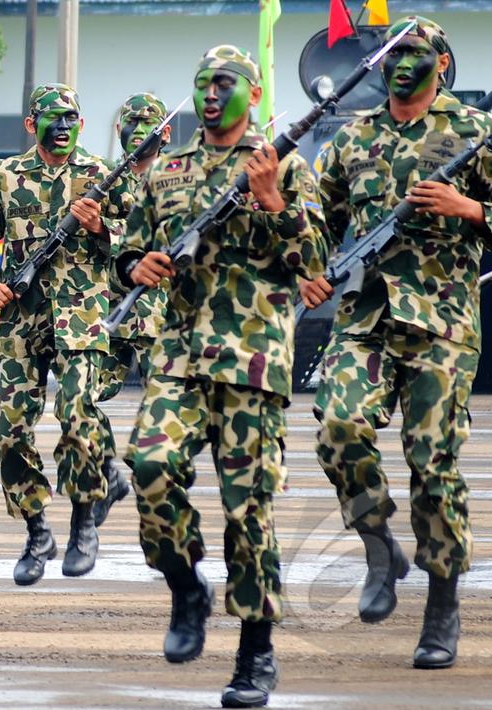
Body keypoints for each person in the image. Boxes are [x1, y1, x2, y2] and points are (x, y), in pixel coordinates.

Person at [116, 46, 325, 708]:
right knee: (146, 466)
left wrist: (270, 201)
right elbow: (127, 246)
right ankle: (184, 584)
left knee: (248, 513)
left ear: (253, 93)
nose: (211, 93)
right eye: (203, 82)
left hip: (252, 360)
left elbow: (316, 265)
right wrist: (133, 268)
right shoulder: (166, 170)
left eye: (225, 83)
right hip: (177, 356)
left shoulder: (284, 166)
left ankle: (254, 654)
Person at [304, 16, 492, 670]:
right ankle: (379, 543)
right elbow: (315, 224)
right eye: (391, 53)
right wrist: (308, 272)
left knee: (430, 463)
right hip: (363, 319)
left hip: (440, 324)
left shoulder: (473, 133)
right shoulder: (352, 138)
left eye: (417, 52)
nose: (402, 62)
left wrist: (469, 210)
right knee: (336, 427)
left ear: (441, 64)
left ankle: (441, 604)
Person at [0, 83, 134, 586]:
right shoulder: (6, 177)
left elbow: (141, 245)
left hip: (81, 318)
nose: (61, 126)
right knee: (9, 430)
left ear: (82, 125)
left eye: (71, 118)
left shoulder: (103, 176)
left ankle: (84, 524)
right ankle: (38, 530)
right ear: (30, 124)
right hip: (22, 320)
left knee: (78, 414)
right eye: (51, 118)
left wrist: (104, 227)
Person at [89, 93, 175, 529]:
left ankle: (161, 508)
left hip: (164, 317)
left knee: (164, 418)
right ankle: (106, 476)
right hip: (113, 314)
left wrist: (106, 228)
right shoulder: (101, 179)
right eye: (129, 121)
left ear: (166, 132)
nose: (137, 130)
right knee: (81, 401)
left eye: (147, 122)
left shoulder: (180, 178)